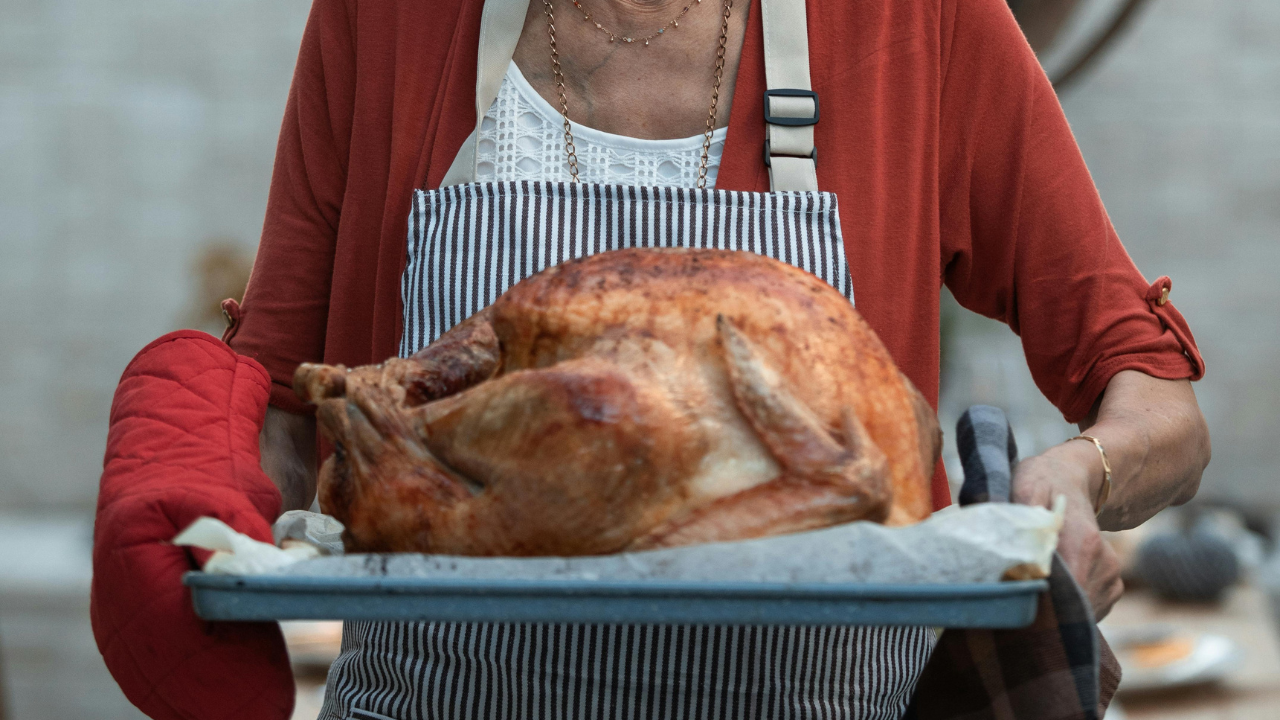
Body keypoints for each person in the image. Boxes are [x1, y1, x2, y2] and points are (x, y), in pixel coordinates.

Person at [112, 0, 1213, 717]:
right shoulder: (388, 19)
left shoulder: (913, 20)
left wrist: (1075, 481)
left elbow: (1152, 396)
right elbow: (290, 414)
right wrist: (180, 485)